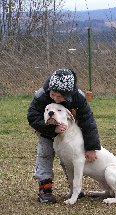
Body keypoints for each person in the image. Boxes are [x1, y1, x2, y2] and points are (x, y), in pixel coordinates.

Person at [27, 68, 101, 203]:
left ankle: (74, 189)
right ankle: (45, 190)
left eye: (60, 97)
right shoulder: (42, 94)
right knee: (45, 155)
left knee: (68, 158)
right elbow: (32, 116)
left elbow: (88, 121)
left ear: (68, 95)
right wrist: (51, 130)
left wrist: (91, 147)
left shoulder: (78, 96)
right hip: (46, 131)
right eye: (53, 94)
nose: (55, 98)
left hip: (68, 133)